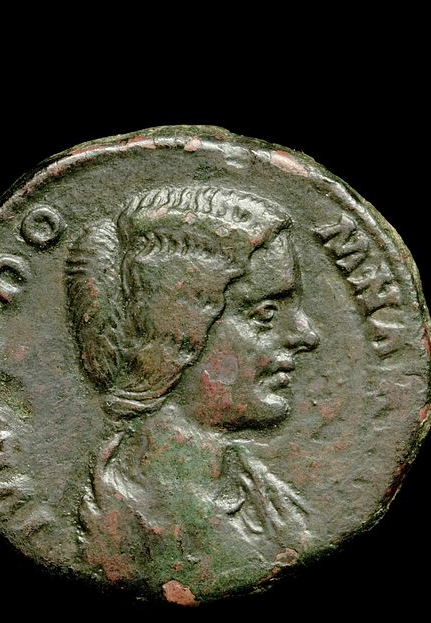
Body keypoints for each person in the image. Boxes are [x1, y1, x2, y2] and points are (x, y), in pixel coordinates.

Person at [66, 186, 320, 593]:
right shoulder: (126, 519)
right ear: (177, 336)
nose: (306, 335)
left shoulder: (265, 498)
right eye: (266, 313)